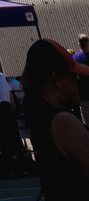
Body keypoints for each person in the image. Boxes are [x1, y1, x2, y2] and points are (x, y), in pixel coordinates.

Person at [20, 40, 89, 201]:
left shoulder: (41, 116)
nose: (79, 84)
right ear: (57, 77)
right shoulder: (63, 122)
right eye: (75, 77)